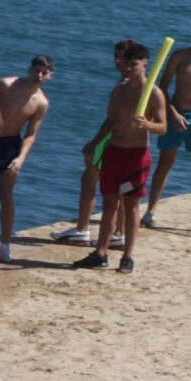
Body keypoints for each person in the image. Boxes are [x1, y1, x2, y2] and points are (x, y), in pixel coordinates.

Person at [73, 40, 174, 274]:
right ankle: (101, 253)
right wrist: (93, 143)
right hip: (114, 152)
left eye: (134, 64)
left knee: (131, 205)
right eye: (126, 63)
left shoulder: (153, 93)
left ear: (146, 65)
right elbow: (110, 121)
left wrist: (147, 124)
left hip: (136, 156)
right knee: (109, 203)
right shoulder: (119, 91)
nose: (129, 67)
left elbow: (163, 127)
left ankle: (128, 256)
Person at [0, 55, 52, 263]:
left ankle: (4, 245)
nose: (39, 75)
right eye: (36, 70)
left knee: (6, 198)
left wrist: (21, 157)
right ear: (29, 69)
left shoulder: (41, 102)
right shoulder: (6, 84)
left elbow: (31, 134)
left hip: (10, 146)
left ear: (50, 75)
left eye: (44, 72)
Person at [56, 43, 134, 245]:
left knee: (89, 178)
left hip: (112, 139)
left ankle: (82, 229)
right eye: (115, 57)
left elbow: (113, 119)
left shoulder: (124, 85)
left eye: (122, 58)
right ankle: (119, 233)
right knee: (123, 188)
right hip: (128, 141)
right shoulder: (134, 83)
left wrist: (94, 142)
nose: (117, 61)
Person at [141, 45, 191, 224]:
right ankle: (150, 212)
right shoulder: (180, 56)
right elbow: (162, 88)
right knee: (165, 163)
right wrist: (173, 113)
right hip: (176, 114)